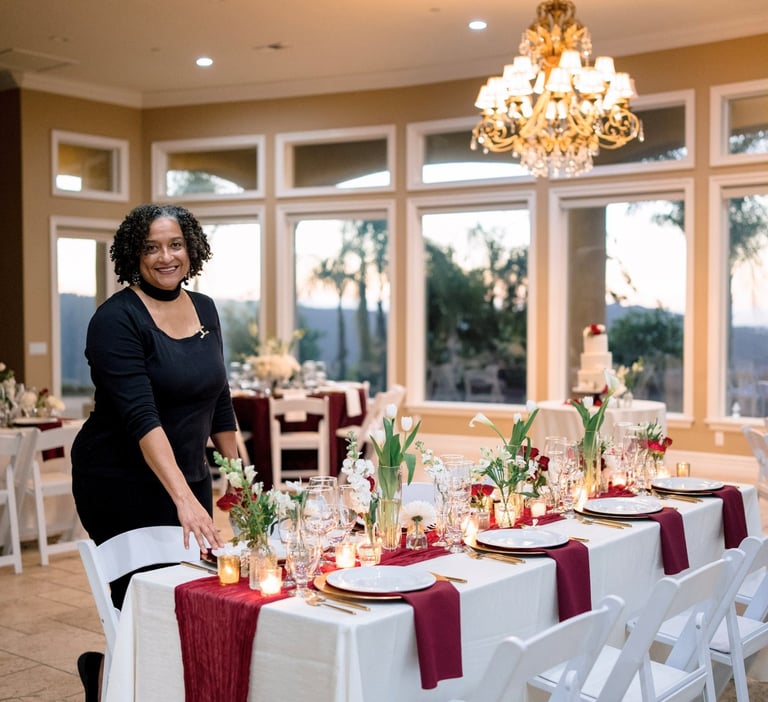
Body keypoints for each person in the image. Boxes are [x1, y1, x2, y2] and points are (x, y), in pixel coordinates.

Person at [71, 203, 237, 700]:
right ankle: (116, 678)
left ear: (191, 249)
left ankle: (110, 677)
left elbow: (219, 396)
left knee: (191, 595)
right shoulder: (115, 320)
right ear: (132, 255)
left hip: (187, 473)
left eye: (175, 244)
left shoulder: (204, 308)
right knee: (146, 599)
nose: (166, 257)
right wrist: (182, 498)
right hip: (120, 481)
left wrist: (243, 479)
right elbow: (143, 417)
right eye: (151, 247)